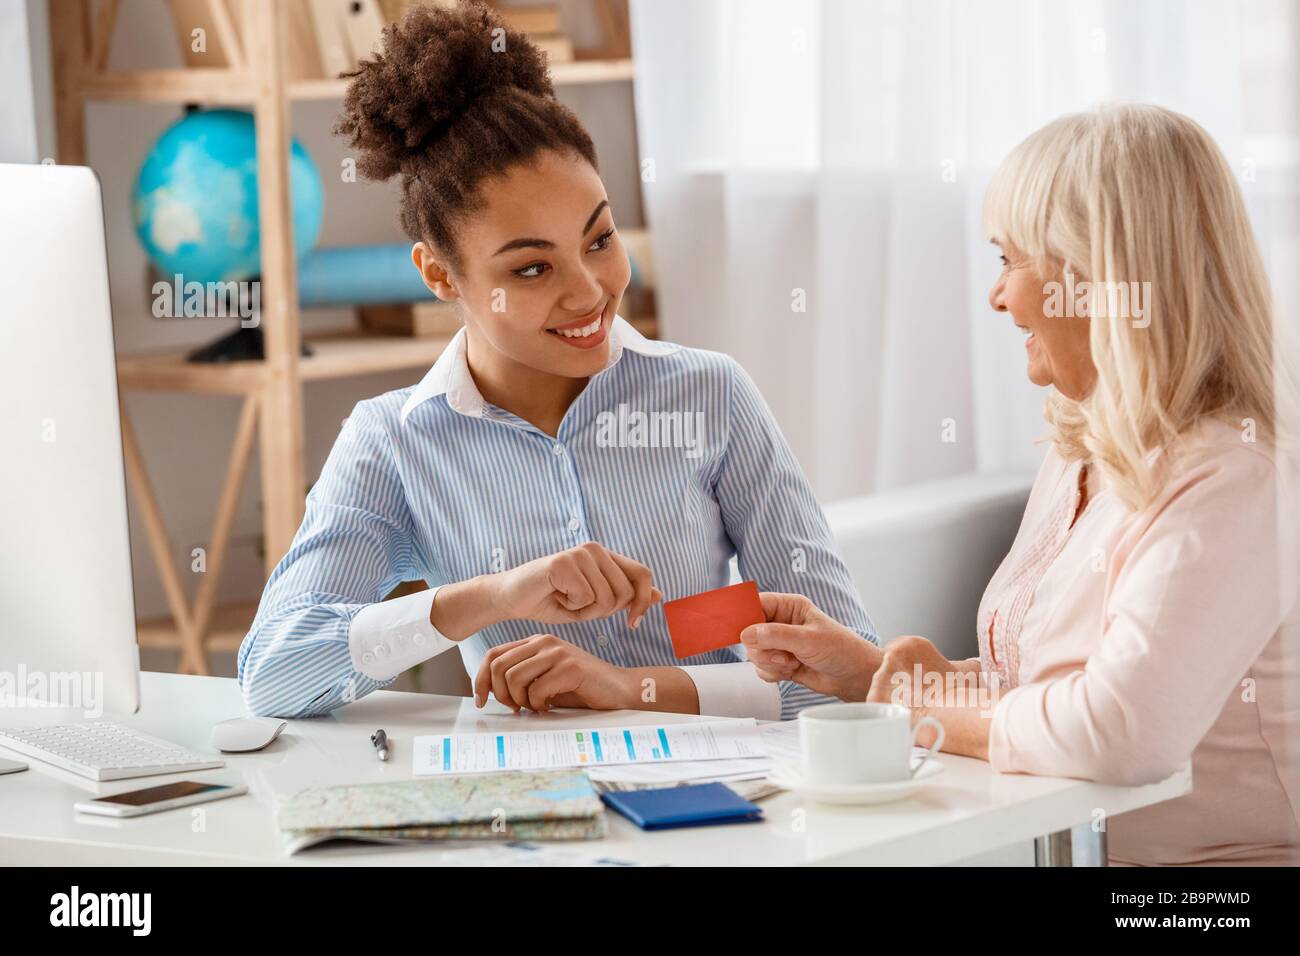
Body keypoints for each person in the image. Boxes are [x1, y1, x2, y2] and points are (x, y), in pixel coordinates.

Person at [237, 1, 875, 722]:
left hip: (724, 797)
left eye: (599, 240)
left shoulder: (709, 397)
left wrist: (629, 682)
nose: (589, 291)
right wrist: (492, 596)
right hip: (528, 811)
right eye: (532, 270)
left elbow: (845, 668)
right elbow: (274, 674)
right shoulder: (395, 442)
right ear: (442, 276)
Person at [740, 104, 1299, 866]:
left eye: (1010, 260)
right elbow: (1052, 689)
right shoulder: (1085, 441)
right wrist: (873, 677)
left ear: (1094, 271)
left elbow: (1120, 732)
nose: (997, 297)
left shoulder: (1238, 474)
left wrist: (919, 704)